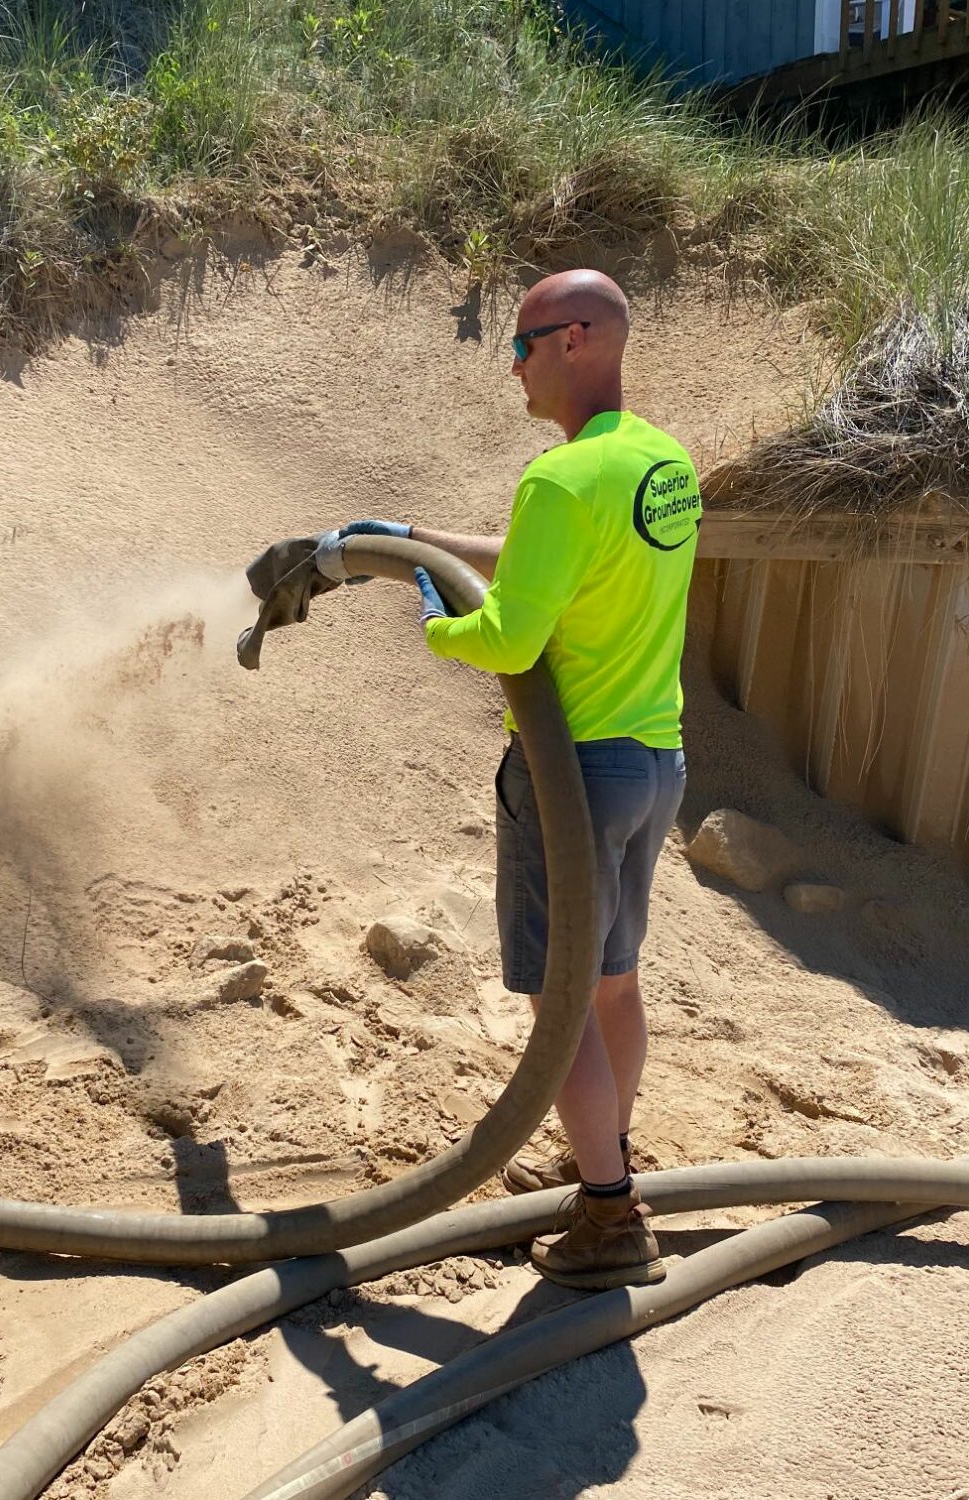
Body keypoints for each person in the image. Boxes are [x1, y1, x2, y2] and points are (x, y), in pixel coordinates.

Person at [339, 269, 701, 1289]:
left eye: (523, 343)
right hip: (651, 761)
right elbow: (540, 559)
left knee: (561, 1005)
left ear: (576, 340)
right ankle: (608, 1158)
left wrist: (433, 618)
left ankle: (610, 1215)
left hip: (567, 772)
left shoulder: (558, 480)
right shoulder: (657, 463)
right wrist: (419, 542)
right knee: (615, 981)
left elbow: (509, 635)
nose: (513, 365)